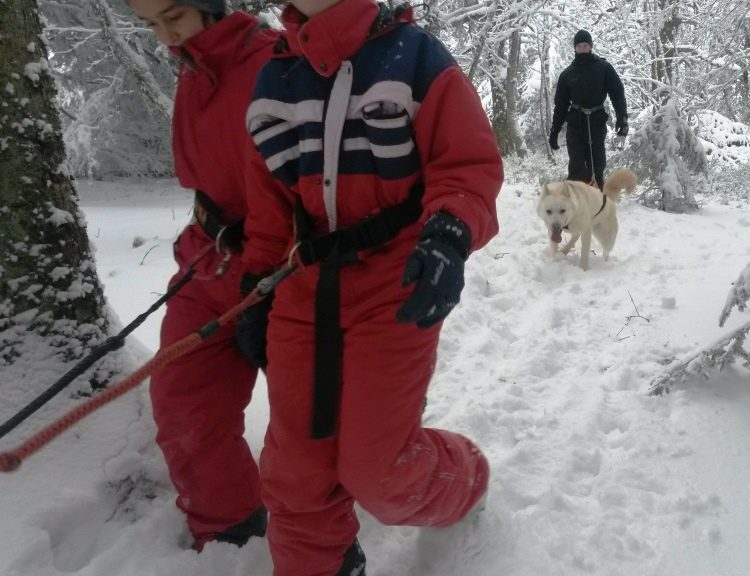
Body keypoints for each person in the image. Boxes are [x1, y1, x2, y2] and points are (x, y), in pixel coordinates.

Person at [241, 0, 501, 574]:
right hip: (303, 290)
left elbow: (468, 166)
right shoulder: (275, 81)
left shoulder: (417, 59)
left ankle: (466, 476)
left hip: (396, 282)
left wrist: (449, 234)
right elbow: (268, 207)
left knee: (380, 473)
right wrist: (256, 286)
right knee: (294, 473)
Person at [125, 0, 280, 550]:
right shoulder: (194, 68)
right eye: (152, 24)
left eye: (174, 16)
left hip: (280, 269)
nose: (165, 35)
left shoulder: (276, 63)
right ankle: (227, 527)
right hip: (208, 261)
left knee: (322, 423)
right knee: (182, 399)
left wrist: (268, 272)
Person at [548, 29, 628, 191]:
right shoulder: (567, 74)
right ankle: (575, 199)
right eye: (579, 46)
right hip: (575, 124)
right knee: (577, 166)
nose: (582, 49)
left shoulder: (604, 68)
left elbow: (617, 94)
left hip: (597, 122)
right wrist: (555, 131)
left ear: (590, 46)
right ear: (575, 48)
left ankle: (598, 197)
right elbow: (561, 105)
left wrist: (622, 118)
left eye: (585, 45)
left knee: (597, 165)